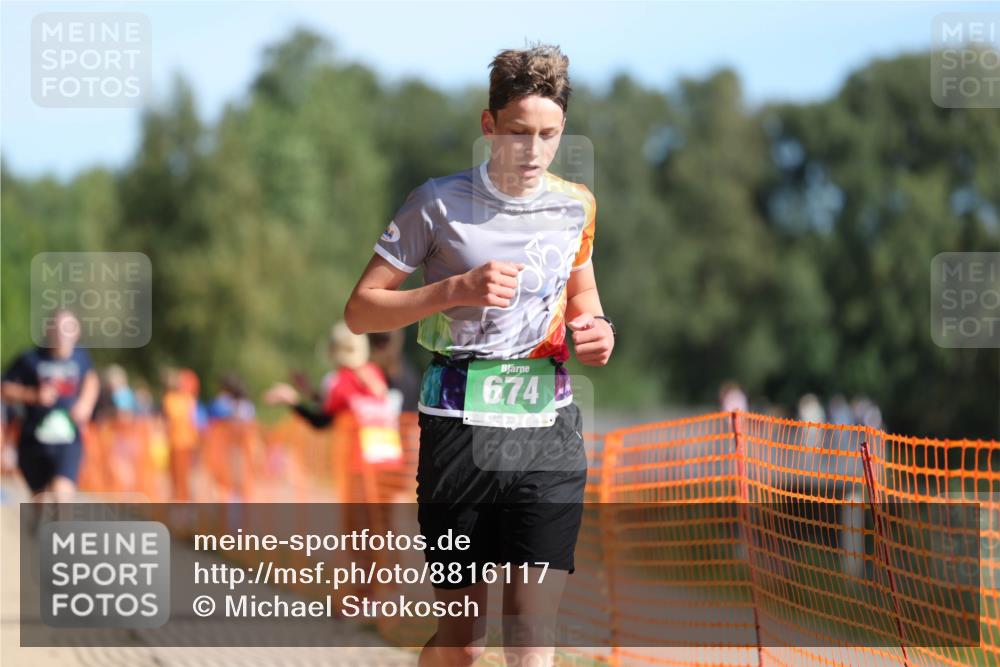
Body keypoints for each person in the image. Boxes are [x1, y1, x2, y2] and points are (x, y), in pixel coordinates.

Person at [344, 44, 615, 667]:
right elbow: (360, 309)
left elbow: (582, 292)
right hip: (458, 432)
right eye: (518, 132)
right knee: (465, 642)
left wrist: (596, 327)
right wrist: (452, 290)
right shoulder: (437, 203)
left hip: (547, 432)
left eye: (548, 135)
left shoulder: (576, 206)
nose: (533, 150)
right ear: (488, 124)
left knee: (530, 635)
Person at [0, 309, 99, 502]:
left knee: (62, 496)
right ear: (48, 330)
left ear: (77, 331)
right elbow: (5, 388)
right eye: (58, 327)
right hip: (34, 441)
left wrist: (85, 404)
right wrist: (33, 395)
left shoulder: (81, 357)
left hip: (68, 440)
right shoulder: (30, 358)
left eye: (68, 328)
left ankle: (58, 531)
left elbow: (91, 379)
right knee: (40, 503)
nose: (62, 333)